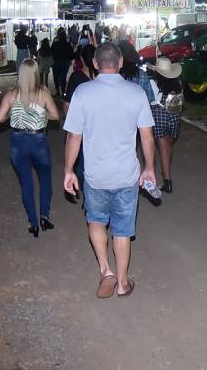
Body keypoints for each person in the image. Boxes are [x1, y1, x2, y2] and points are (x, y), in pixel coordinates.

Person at [63, 43, 156, 299]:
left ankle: (106, 270)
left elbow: (73, 137)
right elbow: (147, 136)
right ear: (121, 63)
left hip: (96, 175)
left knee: (96, 221)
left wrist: (69, 170)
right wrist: (149, 168)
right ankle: (123, 283)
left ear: (95, 63)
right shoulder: (136, 93)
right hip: (126, 174)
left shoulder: (83, 93)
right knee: (123, 230)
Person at [0, 59, 60, 237]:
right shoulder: (43, 93)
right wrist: (41, 115)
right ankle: (44, 216)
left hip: (18, 143)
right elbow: (55, 115)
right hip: (38, 142)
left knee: (26, 184)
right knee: (45, 179)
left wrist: (12, 113)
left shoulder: (11, 95)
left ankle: (33, 223)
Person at [61, 46, 96, 204]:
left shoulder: (76, 77)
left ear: (81, 59)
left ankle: (89, 196)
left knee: (82, 164)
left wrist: (71, 123)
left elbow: (67, 104)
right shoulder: (103, 77)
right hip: (99, 128)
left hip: (82, 128)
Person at [148, 56, 183, 194]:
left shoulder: (153, 83)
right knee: (168, 147)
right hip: (174, 117)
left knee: (163, 149)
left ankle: (167, 181)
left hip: (160, 117)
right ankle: (166, 173)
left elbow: (152, 101)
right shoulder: (178, 84)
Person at [51, 29, 74, 97]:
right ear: (65, 37)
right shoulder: (68, 45)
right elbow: (72, 55)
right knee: (63, 78)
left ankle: (58, 91)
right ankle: (64, 92)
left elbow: (51, 52)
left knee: (56, 77)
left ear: (59, 36)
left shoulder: (55, 44)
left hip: (56, 62)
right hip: (65, 63)